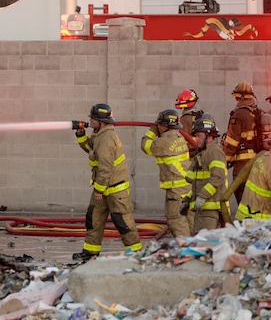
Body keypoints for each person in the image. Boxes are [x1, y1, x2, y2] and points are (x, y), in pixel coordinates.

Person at [72, 103, 143, 262]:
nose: (90, 120)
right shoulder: (99, 134)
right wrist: (80, 134)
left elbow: (105, 167)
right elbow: (90, 149)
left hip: (114, 189)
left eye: (93, 118)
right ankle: (90, 252)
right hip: (102, 187)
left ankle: (136, 253)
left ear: (101, 121)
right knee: (93, 219)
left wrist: (98, 190)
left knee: (122, 222)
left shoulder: (107, 138)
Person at [141, 109, 192, 237]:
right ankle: (193, 245)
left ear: (166, 126)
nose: (158, 126)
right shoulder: (180, 138)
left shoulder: (164, 142)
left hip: (176, 188)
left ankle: (185, 247)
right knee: (188, 219)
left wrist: (152, 130)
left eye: (159, 124)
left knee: (175, 219)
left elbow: (145, 146)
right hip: (187, 186)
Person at [184, 115, 228, 234]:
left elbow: (217, 178)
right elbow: (199, 181)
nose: (196, 139)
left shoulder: (214, 152)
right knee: (200, 241)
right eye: (195, 136)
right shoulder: (203, 153)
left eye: (199, 136)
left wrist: (202, 196)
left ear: (209, 136)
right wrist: (188, 199)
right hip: (203, 208)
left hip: (210, 208)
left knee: (203, 243)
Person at [223, 81, 261, 204]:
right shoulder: (258, 112)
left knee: (242, 195)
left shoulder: (238, 115)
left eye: (236, 97)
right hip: (258, 162)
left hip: (243, 164)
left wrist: (224, 160)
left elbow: (232, 141)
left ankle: (245, 222)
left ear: (241, 97)